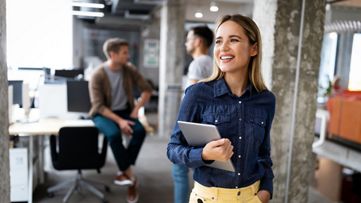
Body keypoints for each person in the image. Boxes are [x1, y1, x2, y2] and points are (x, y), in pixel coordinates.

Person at [167, 14, 276, 203]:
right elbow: (173, 149)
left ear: (253, 48)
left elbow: (264, 155)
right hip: (209, 198)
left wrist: (265, 192)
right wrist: (203, 154)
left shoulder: (266, 100)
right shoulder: (197, 94)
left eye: (233, 40)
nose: (223, 48)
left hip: (252, 197)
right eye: (218, 41)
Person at [89, 38, 152, 203]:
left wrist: (136, 110)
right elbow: (99, 106)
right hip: (102, 114)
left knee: (140, 131)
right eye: (124, 53)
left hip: (125, 111)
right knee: (114, 134)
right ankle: (130, 176)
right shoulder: (97, 75)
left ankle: (125, 170)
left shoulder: (128, 69)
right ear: (112, 54)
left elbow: (147, 89)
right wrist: (120, 121)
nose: (128, 56)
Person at [173, 25, 214, 203]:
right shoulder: (212, 63)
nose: (186, 43)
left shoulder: (197, 64)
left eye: (188, 39)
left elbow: (190, 100)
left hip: (193, 124)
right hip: (207, 122)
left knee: (179, 169)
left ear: (198, 42)